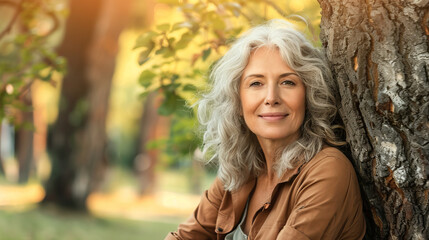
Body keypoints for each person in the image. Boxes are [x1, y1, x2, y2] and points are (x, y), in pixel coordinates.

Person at [165, 19, 366, 240]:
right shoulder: (239, 169)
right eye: (256, 83)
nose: (271, 98)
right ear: (237, 101)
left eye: (288, 82)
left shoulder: (328, 170)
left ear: (309, 96)